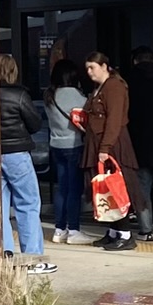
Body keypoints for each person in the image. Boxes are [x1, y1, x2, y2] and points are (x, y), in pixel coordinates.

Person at [0, 55, 55, 270]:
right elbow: (34, 124)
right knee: (28, 204)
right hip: (17, 154)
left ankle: (5, 253)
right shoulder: (19, 94)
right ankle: (33, 258)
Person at [82, 51, 143, 252]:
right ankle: (114, 231)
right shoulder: (99, 88)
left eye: (92, 67)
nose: (89, 72)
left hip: (112, 145)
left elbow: (114, 120)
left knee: (116, 188)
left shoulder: (114, 87)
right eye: (87, 68)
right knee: (104, 189)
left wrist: (105, 148)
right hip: (98, 142)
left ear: (104, 66)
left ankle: (125, 234)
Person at [46, 59, 88, 244]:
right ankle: (74, 230)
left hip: (56, 145)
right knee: (74, 190)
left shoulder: (50, 94)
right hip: (74, 145)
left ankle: (59, 229)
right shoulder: (76, 95)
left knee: (62, 188)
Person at [128, 45, 153, 238]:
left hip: (139, 140)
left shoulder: (129, 80)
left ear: (135, 61)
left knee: (143, 186)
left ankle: (146, 228)